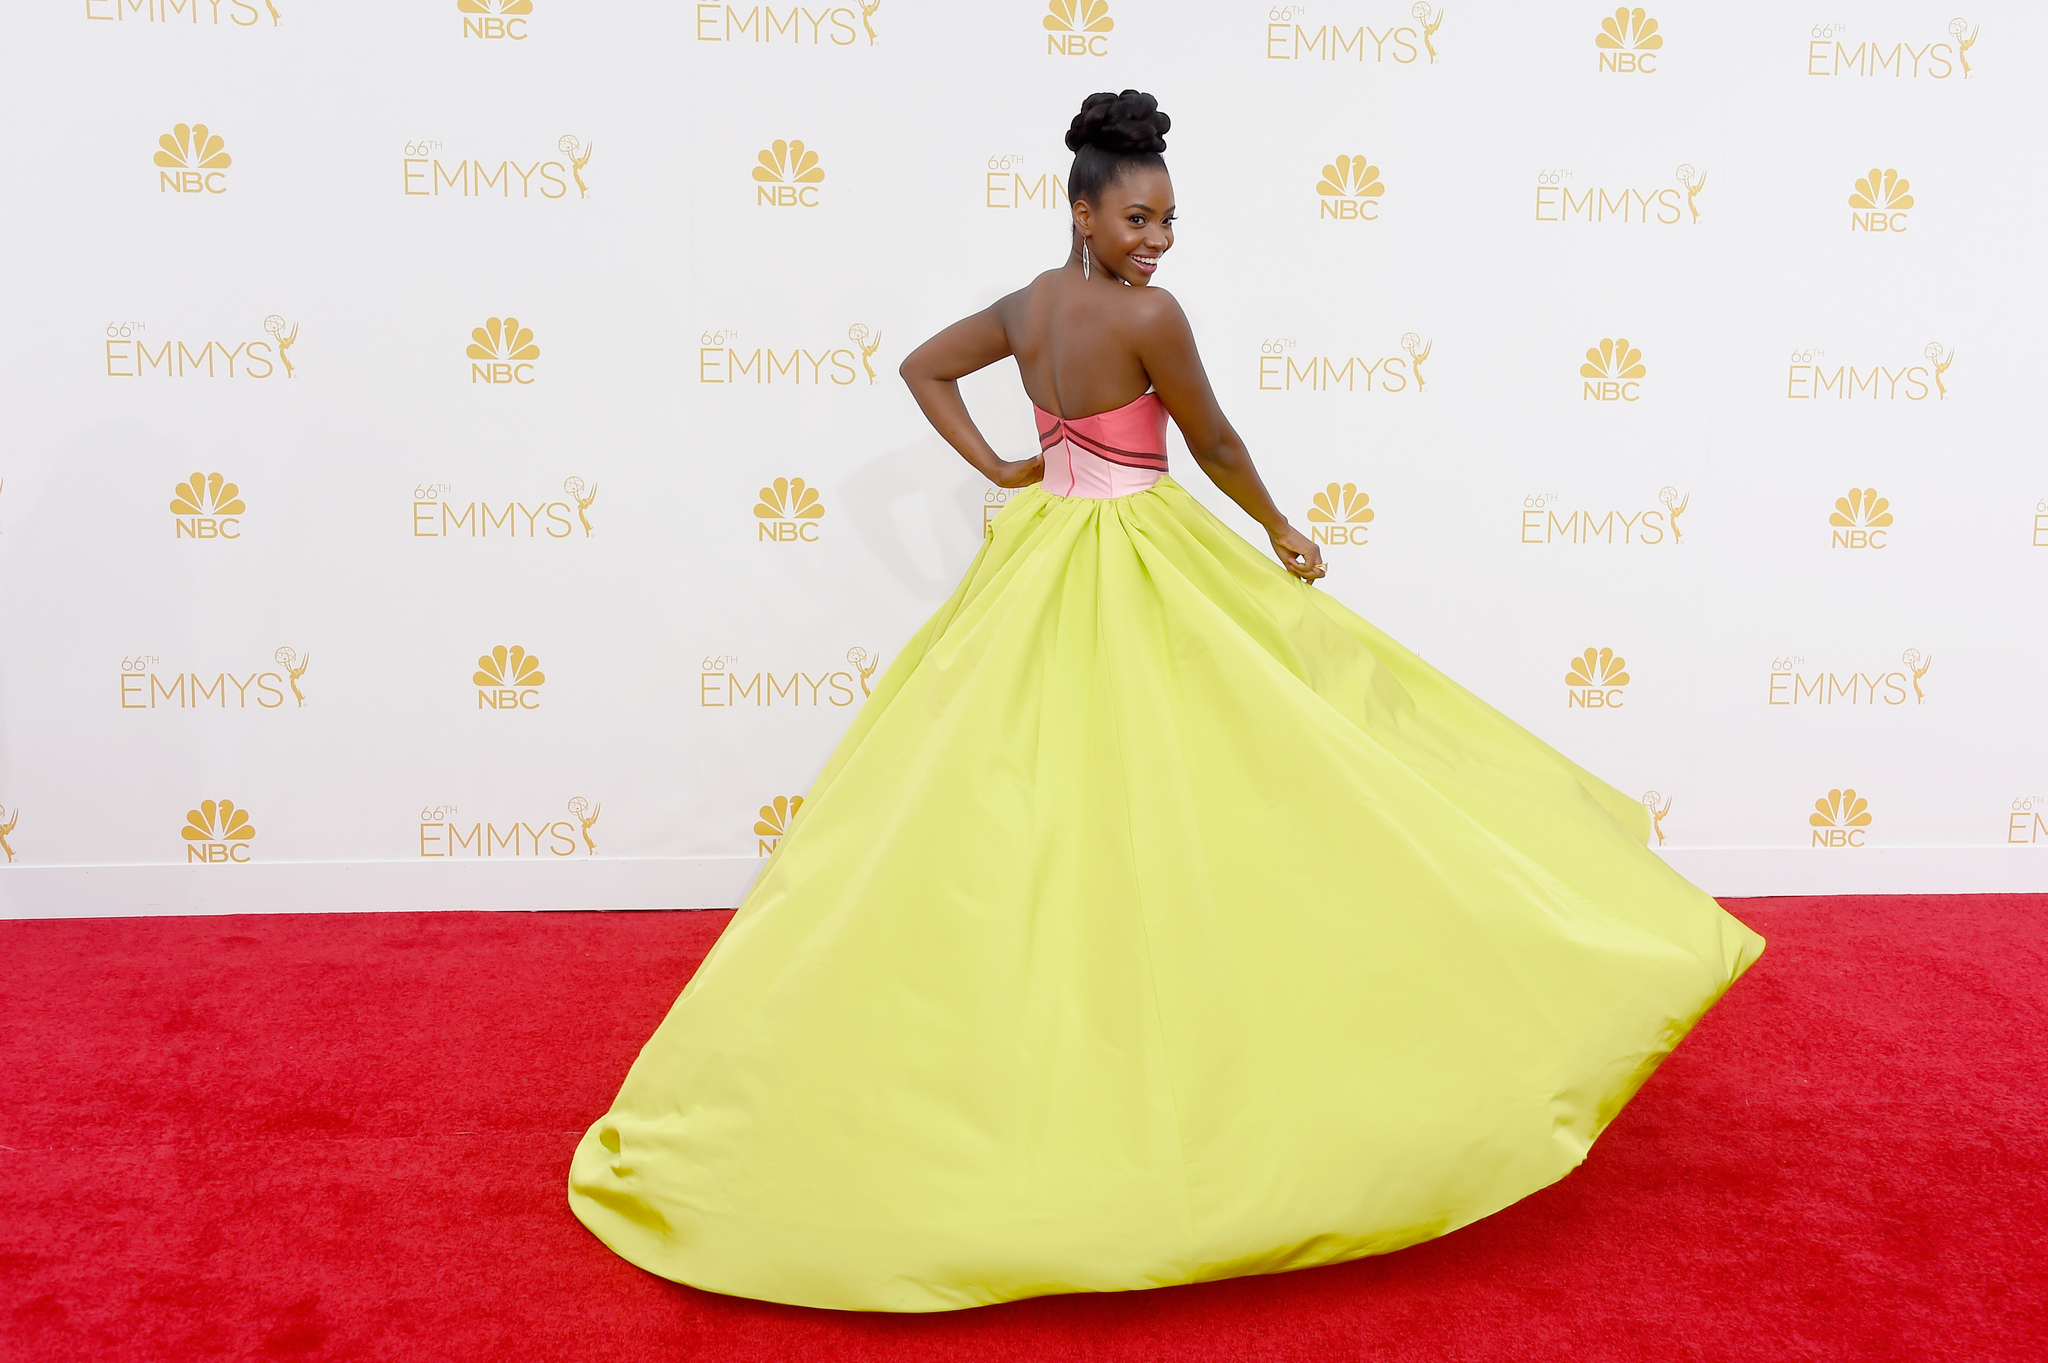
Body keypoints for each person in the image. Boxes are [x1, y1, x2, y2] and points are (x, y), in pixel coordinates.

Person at [569, 90, 1764, 1313]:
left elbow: (923, 367)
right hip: (1140, 555)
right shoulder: (1150, 317)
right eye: (1137, 215)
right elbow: (1215, 440)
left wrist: (1000, 469)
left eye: (1170, 219)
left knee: (1024, 799)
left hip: (1039, 559)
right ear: (1080, 207)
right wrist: (1280, 525)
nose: (1158, 239)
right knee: (1256, 761)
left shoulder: (1028, 306)